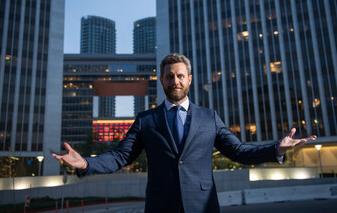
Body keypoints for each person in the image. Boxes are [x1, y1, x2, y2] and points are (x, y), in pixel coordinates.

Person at [52, 53, 316, 213]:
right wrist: (86, 163)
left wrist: (276, 149)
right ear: (162, 81)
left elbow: (239, 151)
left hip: (202, 207)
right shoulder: (146, 120)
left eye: (180, 76)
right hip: (160, 207)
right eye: (169, 77)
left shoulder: (209, 117)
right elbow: (121, 156)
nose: (175, 81)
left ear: (189, 79)